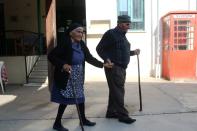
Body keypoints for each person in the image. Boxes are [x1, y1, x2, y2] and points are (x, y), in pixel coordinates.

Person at [48, 22, 113, 131]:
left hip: (78, 76)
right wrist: (63, 64)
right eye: (78, 31)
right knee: (65, 100)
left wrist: (102, 64)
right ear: (70, 33)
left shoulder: (81, 44)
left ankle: (82, 119)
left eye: (82, 32)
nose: (81, 34)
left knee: (81, 98)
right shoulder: (65, 43)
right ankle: (57, 123)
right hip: (67, 76)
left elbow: (89, 57)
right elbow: (51, 56)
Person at [96, 15, 140, 124]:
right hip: (114, 67)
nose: (129, 26)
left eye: (129, 24)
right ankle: (123, 115)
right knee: (119, 91)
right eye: (127, 24)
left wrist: (133, 52)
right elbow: (99, 48)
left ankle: (111, 112)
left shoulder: (122, 36)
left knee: (114, 90)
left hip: (121, 68)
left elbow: (121, 52)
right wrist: (107, 60)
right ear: (120, 23)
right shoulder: (111, 34)